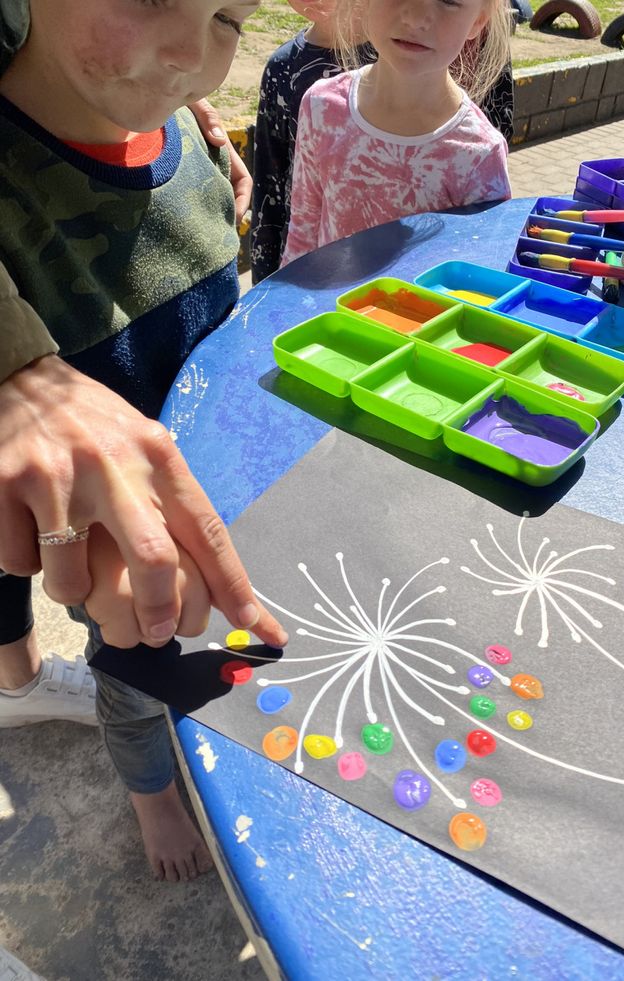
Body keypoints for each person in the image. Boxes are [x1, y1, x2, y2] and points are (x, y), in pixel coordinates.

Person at [0, 0, 289, 882]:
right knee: (132, 673)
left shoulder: (191, 139)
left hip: (213, 514)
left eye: (230, 16)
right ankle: (151, 795)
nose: (190, 56)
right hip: (116, 557)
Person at [250, 0, 513, 284]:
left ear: (478, 21)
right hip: (326, 323)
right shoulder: (322, 108)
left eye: (448, 0)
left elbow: (476, 283)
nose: (415, 17)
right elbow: (302, 239)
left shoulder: (478, 153)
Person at [249, 0, 367, 284]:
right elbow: (270, 184)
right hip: (305, 269)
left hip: (383, 266)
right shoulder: (282, 68)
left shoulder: (403, 56)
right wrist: (264, 284)